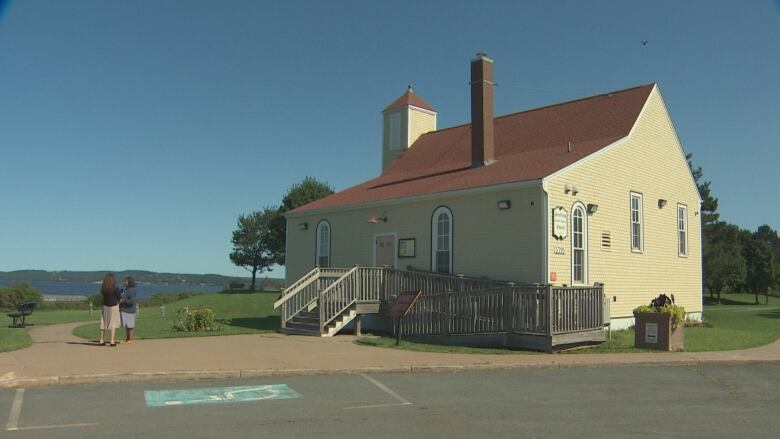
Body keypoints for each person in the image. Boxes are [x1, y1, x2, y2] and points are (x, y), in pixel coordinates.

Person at [98, 273, 122, 346]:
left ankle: (101, 340)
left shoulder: (103, 289)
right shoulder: (115, 289)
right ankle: (112, 341)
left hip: (105, 306)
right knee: (113, 324)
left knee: (103, 323)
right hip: (113, 307)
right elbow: (119, 298)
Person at [119, 276, 137, 344]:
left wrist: (123, 300)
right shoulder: (126, 289)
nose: (124, 282)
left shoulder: (131, 290)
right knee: (127, 326)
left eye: (125, 281)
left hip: (130, 311)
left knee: (130, 326)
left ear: (129, 282)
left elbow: (132, 301)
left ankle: (130, 339)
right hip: (125, 310)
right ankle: (128, 338)